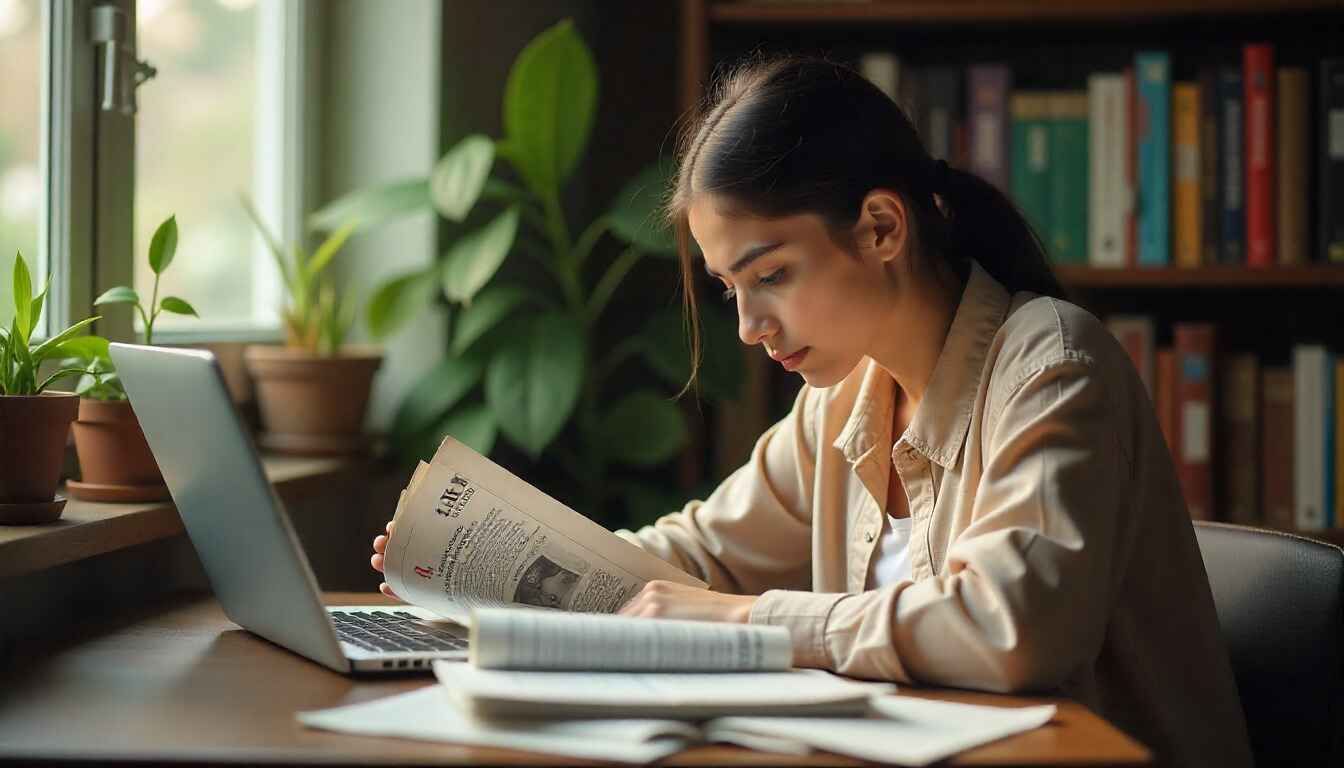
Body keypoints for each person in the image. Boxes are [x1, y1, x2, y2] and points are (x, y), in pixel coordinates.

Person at [372, 55, 1251, 768]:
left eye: (771, 276)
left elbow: (1011, 629)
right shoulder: (840, 402)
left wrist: (749, 619)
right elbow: (697, 556)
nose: (751, 329)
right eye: (730, 290)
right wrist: (478, 569)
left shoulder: (1053, 363)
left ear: (879, 228)